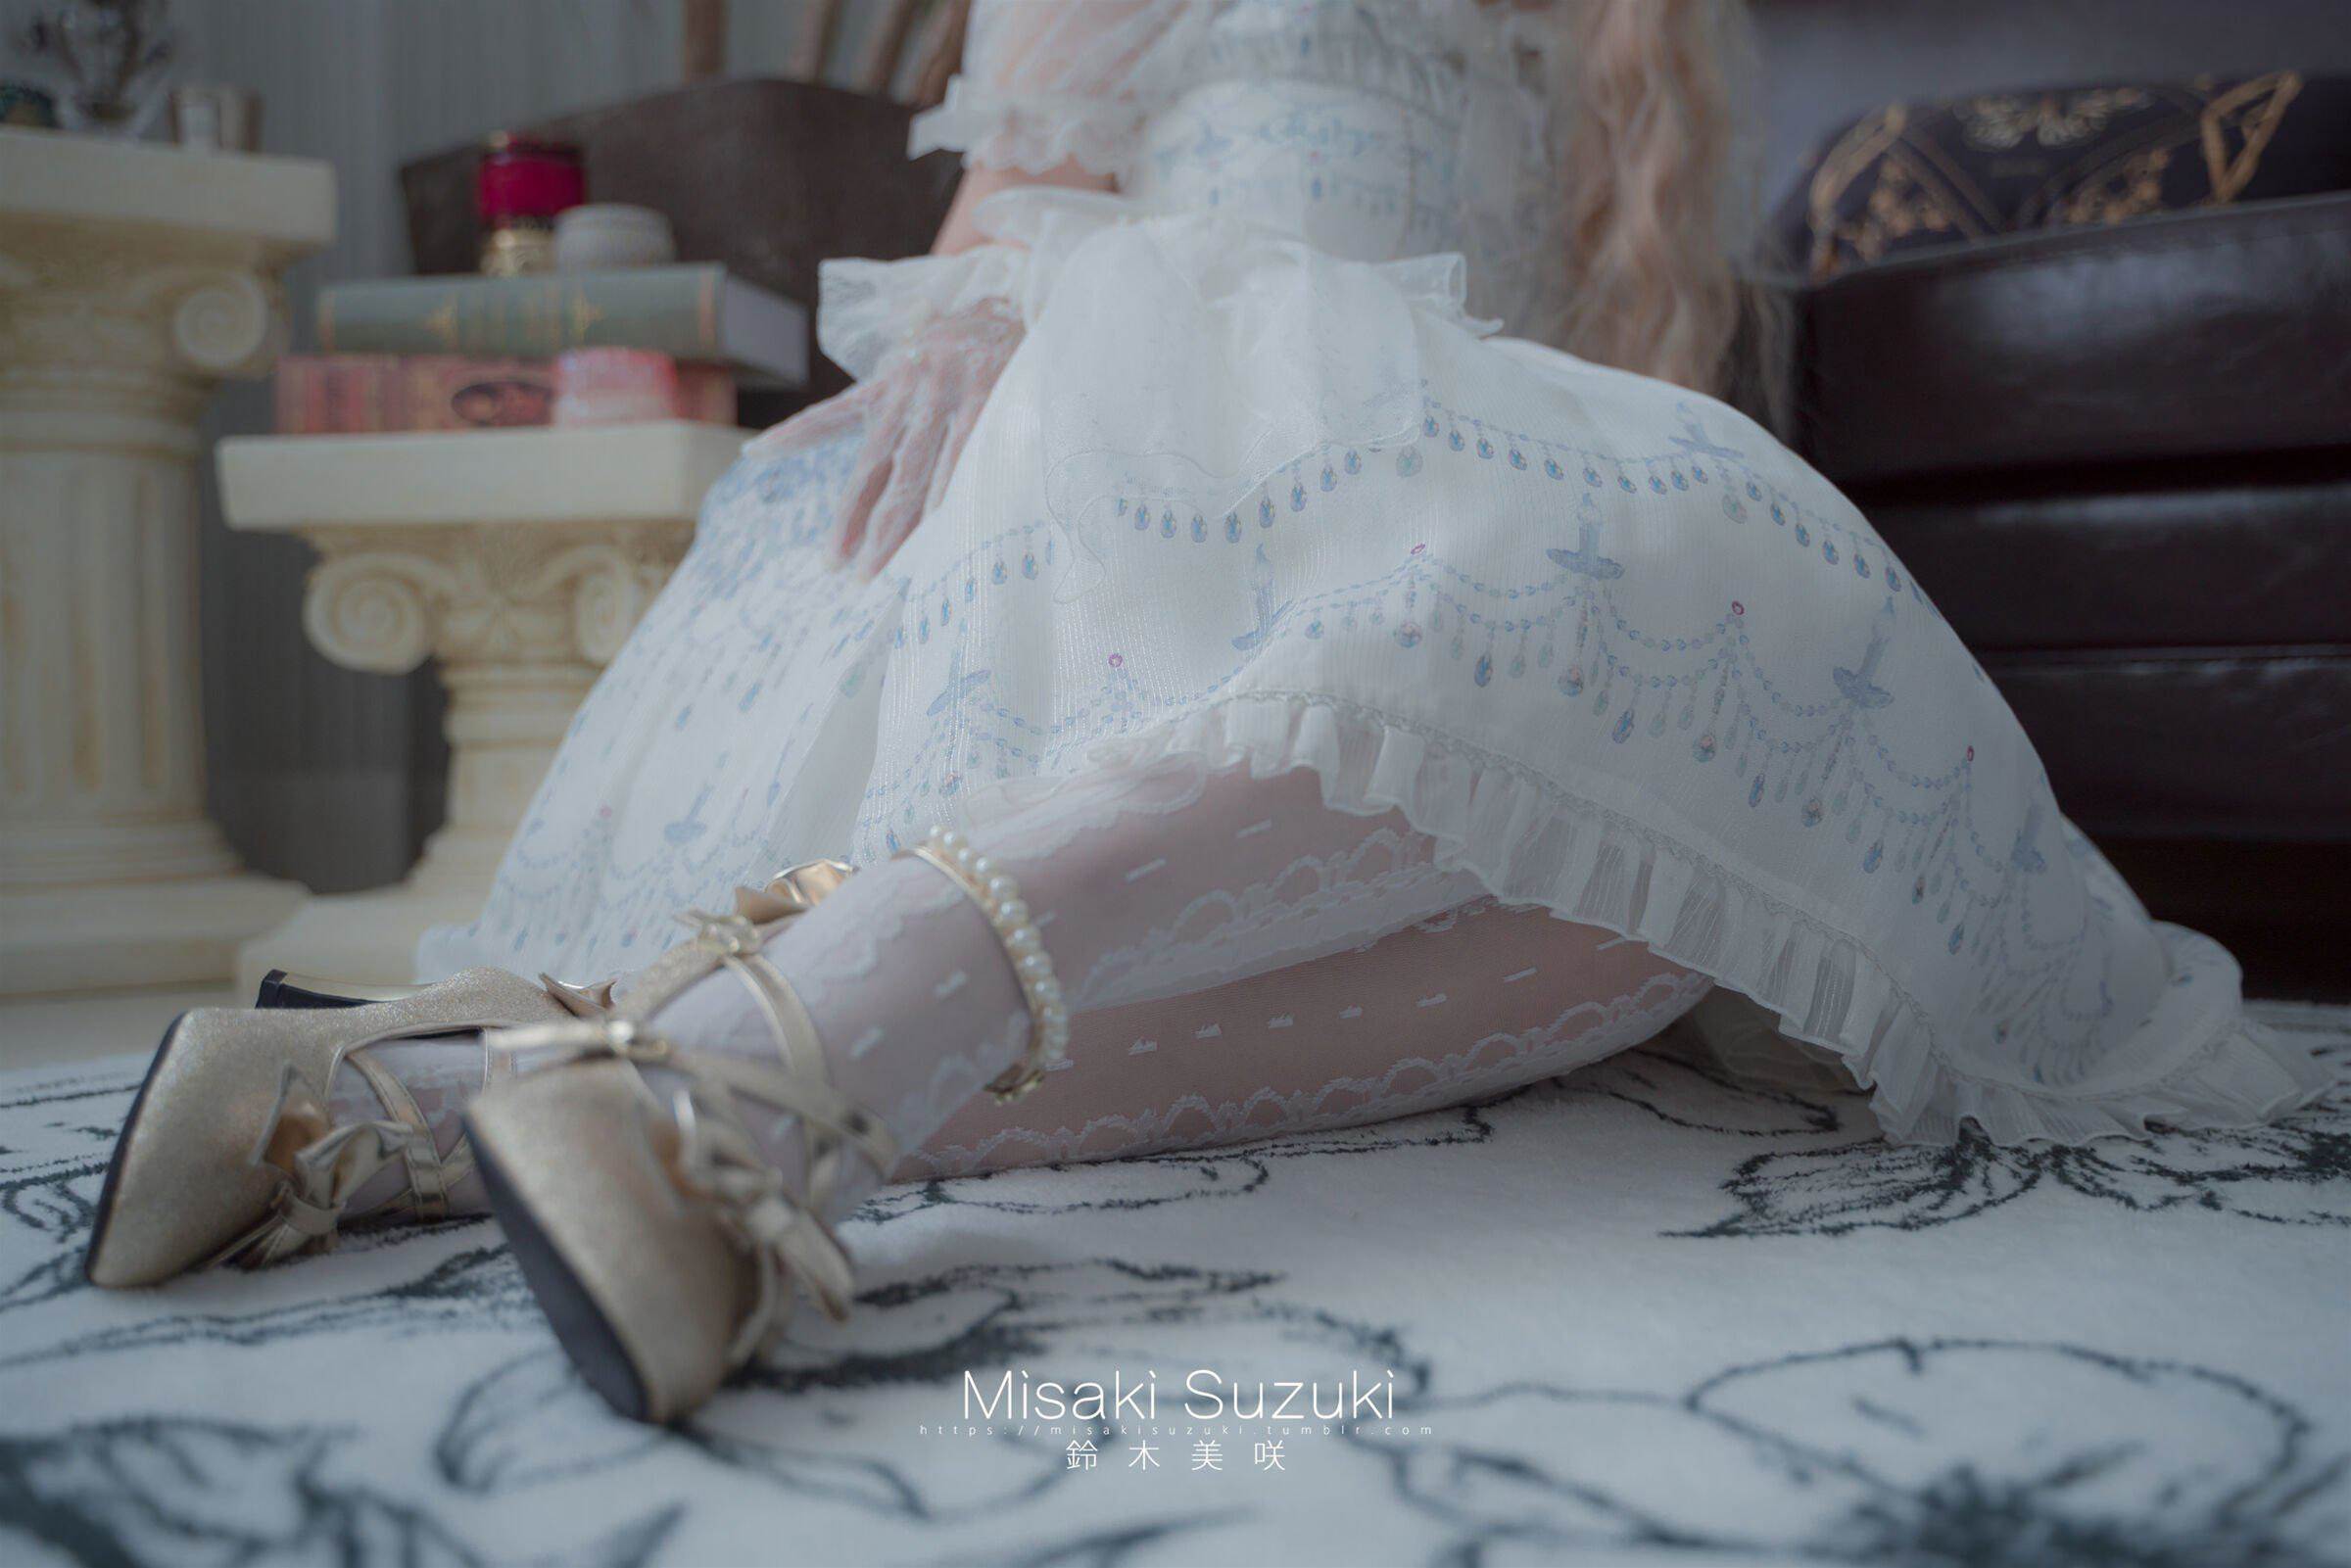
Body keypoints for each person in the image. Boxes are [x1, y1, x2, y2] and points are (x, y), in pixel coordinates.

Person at [85, 0, 2327, 1424]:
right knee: (1600, 701)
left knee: (1674, 889)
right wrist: (988, 323)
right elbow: (1020, 178)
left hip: (1426, 528)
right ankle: (756, 1079)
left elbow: (1590, 413)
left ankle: (485, 1091)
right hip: (1158, 460)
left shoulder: (1635, 35)